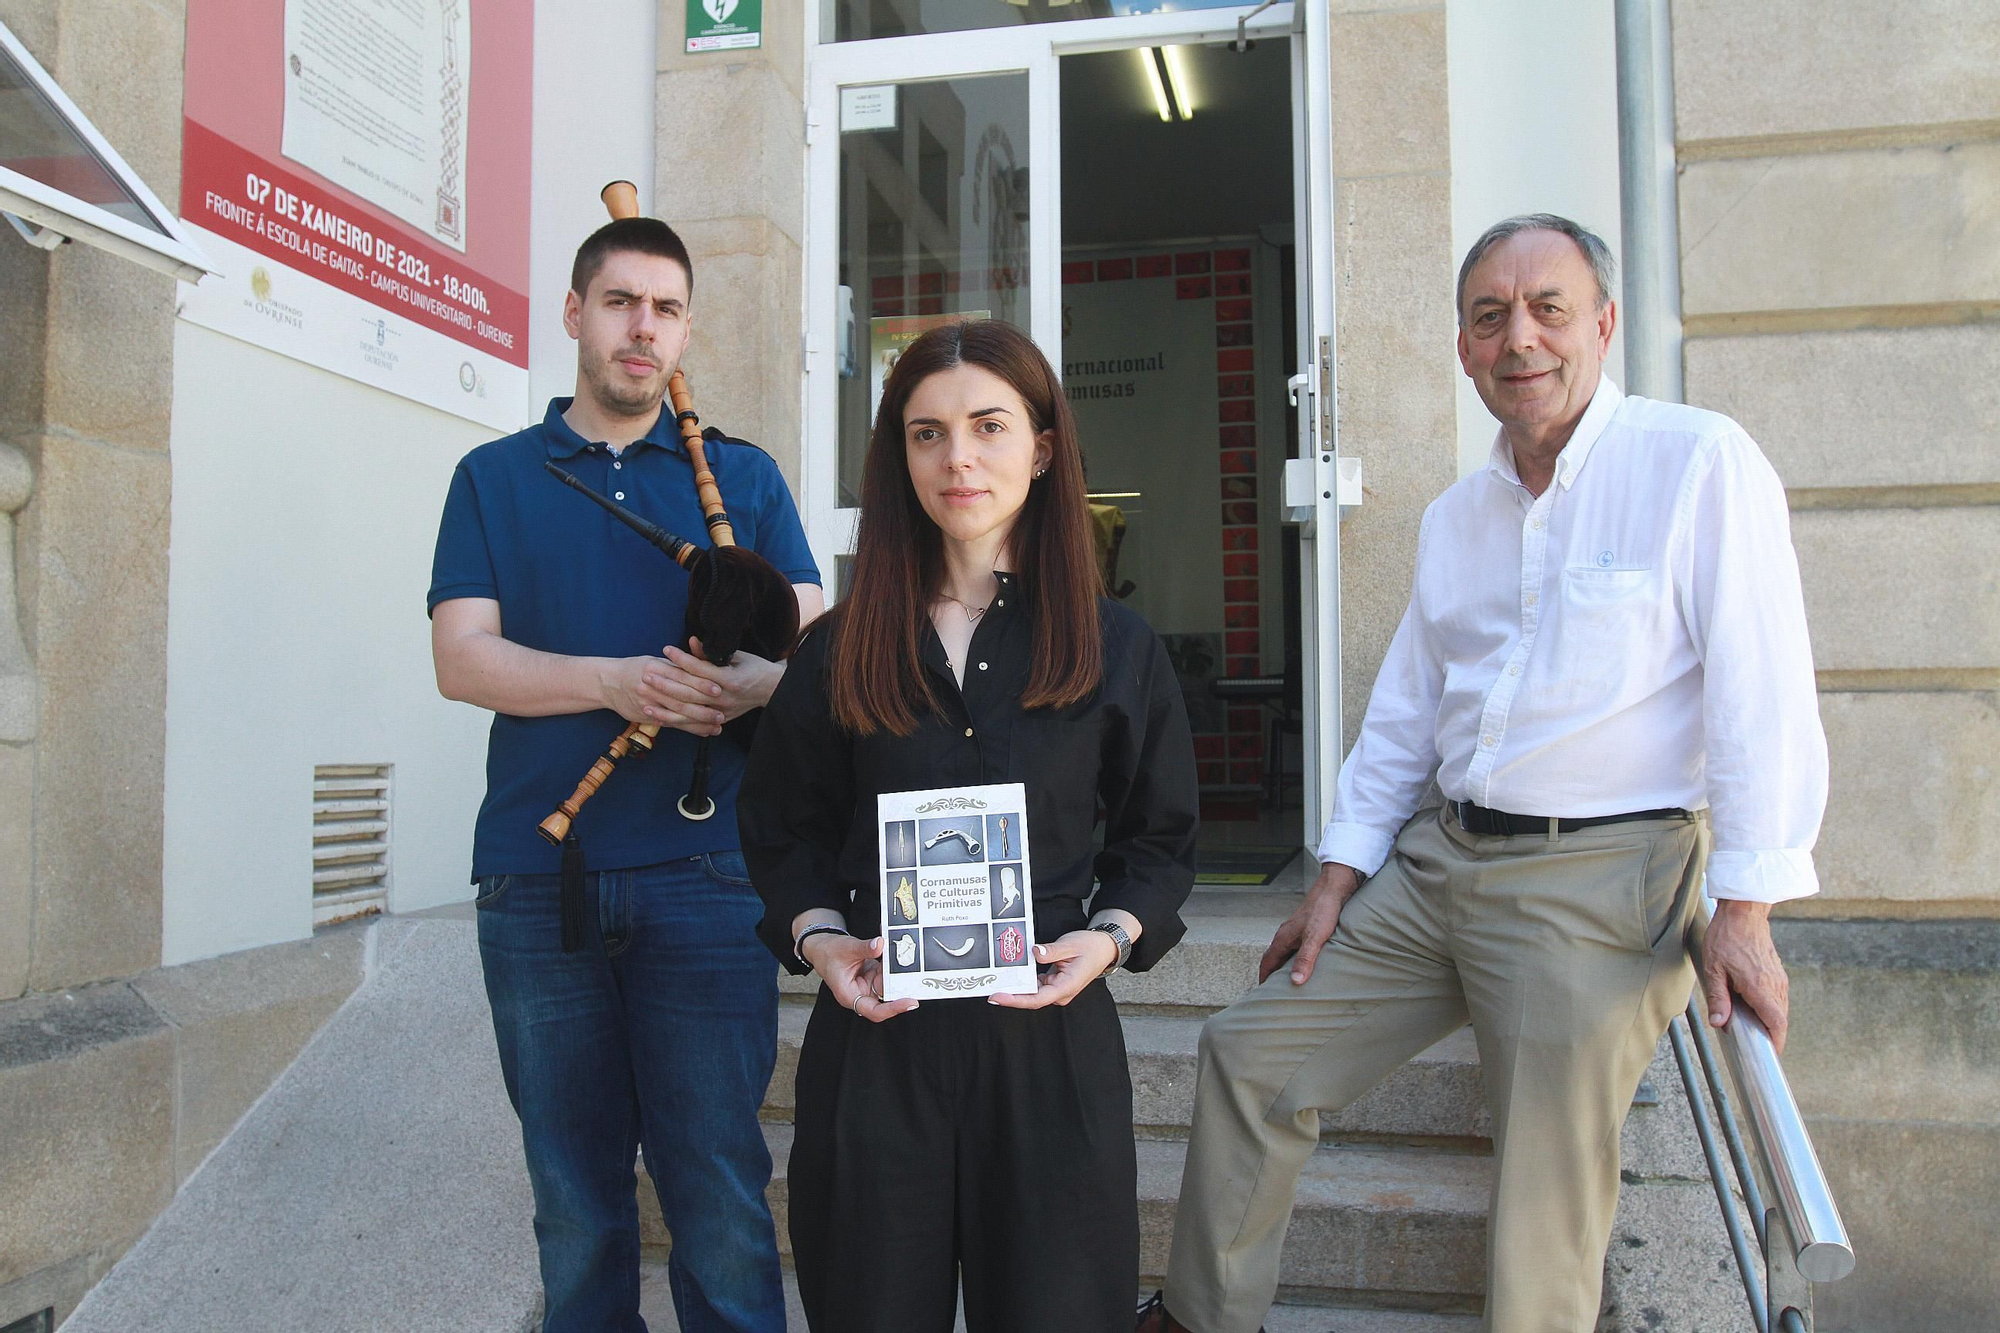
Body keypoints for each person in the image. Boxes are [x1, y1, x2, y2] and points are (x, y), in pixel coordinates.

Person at [1140, 214, 1828, 1333]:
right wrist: (1333, 877)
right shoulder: (1455, 515)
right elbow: (1406, 712)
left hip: (1600, 879)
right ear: (1461, 349)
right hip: (1438, 862)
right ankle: (1202, 1319)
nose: (1520, 338)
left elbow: (1764, 695)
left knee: (1541, 1205)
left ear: (1601, 325)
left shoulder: (1695, 461)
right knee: (1247, 1054)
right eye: (1488, 317)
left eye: (1547, 308)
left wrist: (1743, 907)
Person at [739, 318, 1200, 1333]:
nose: (957, 458)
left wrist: (1110, 936)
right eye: (925, 432)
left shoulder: (1113, 647)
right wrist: (820, 940)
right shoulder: (838, 649)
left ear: (1040, 449)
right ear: (896, 457)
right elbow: (779, 826)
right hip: (878, 1037)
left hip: (1045, 1037)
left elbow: (1159, 838)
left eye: (988, 426)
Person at [428, 215, 822, 1333]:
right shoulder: (494, 476)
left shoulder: (738, 477)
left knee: (715, 1187)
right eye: (618, 303)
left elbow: (812, 634)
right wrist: (614, 681)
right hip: (533, 879)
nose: (640, 327)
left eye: (663, 308)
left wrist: (744, 686)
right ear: (573, 315)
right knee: (574, 1198)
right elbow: (463, 658)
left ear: (684, 329)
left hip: (704, 871)